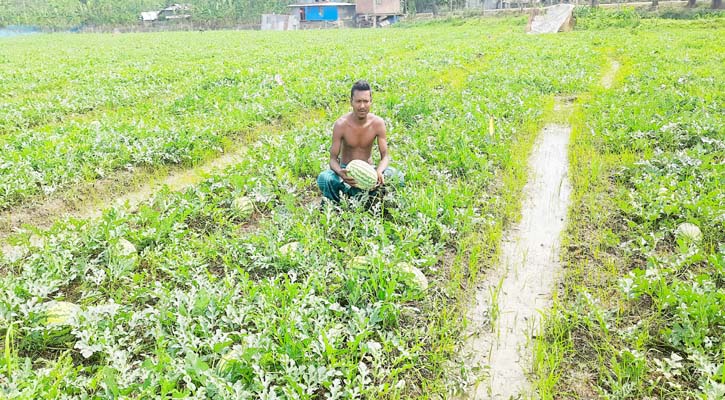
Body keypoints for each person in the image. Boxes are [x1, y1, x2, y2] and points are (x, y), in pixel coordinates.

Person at [317, 80, 403, 203]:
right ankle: (340, 203)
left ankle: (369, 196)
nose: (362, 106)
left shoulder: (378, 123)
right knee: (324, 178)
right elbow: (332, 159)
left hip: (369, 170)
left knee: (397, 176)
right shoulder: (341, 124)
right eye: (358, 101)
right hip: (346, 171)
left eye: (365, 101)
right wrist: (341, 174)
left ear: (371, 102)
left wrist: (378, 172)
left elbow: (385, 156)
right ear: (351, 102)